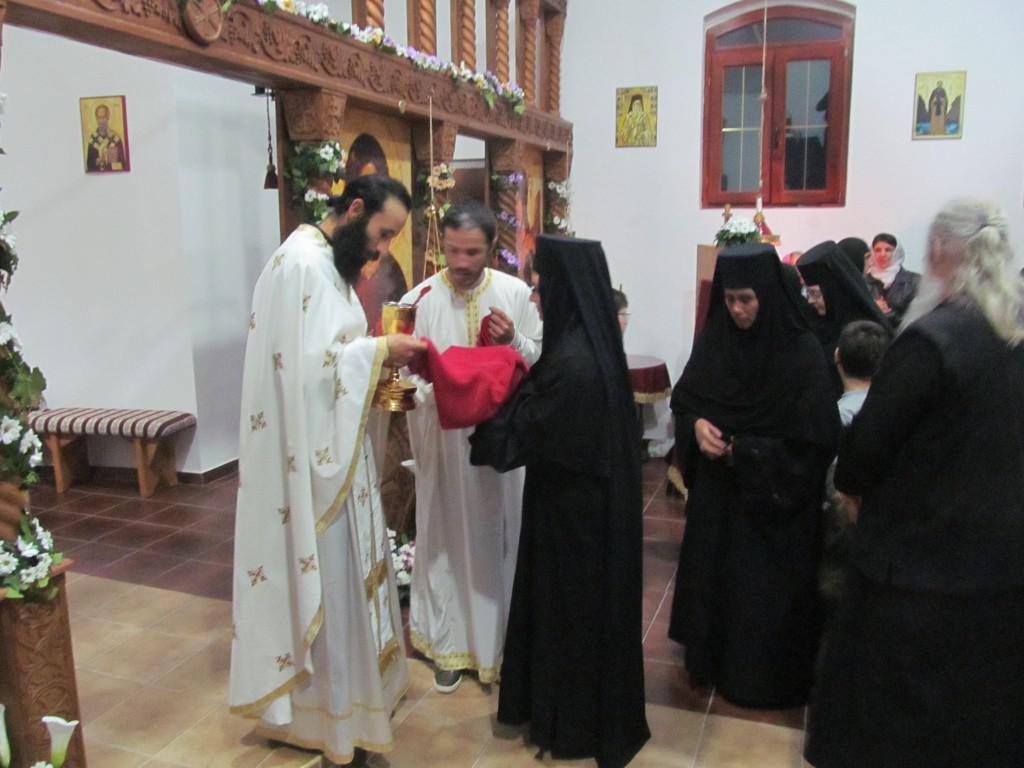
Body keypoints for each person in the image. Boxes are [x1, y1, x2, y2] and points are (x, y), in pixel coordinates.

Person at [806, 198, 1024, 768]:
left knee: (897, 722)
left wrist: (852, 488)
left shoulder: (932, 340)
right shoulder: (1016, 332)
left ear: (940, 253)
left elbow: (864, 450)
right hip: (1002, 566)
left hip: (919, 568)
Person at [229, 174, 426, 766]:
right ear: (355, 209)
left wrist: (375, 359)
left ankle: (352, 712)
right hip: (312, 465)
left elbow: (328, 361)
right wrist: (380, 351)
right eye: (383, 234)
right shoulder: (303, 266)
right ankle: (334, 724)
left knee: (349, 589)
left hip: (335, 457)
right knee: (333, 591)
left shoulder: (325, 262)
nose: (382, 250)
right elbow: (311, 377)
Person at [469, 234, 650, 768]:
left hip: (574, 519)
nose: (533, 297)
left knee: (570, 618)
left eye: (540, 287)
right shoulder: (585, 345)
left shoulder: (574, 361)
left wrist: (481, 393)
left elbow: (527, 431)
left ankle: (569, 725)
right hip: (580, 508)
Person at [668, 241, 840, 709]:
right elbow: (686, 400)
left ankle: (755, 677)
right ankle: (708, 659)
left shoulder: (800, 352)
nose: (738, 310)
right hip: (719, 497)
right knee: (715, 581)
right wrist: (696, 427)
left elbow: (816, 441)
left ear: (767, 294)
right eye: (729, 300)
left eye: (747, 299)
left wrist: (745, 452)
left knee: (758, 596)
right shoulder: (717, 340)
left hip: (773, 509)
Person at [401, 199, 542, 692]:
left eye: (473, 252)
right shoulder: (417, 300)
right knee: (445, 539)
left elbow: (541, 362)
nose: (461, 263)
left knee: (504, 537)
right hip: (443, 447)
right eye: (453, 251)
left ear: (492, 247)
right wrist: (438, 389)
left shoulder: (515, 294)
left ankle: (507, 647)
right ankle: (449, 645)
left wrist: (514, 341)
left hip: (503, 450)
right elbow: (400, 379)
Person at [798, 240, 892, 395]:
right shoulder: (816, 323)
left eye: (815, 293)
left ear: (833, 291)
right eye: (808, 293)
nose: (810, 300)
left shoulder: (865, 330)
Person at [864, 233, 921, 328]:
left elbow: (917, 317)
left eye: (888, 250)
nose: (882, 254)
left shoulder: (914, 281)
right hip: (871, 334)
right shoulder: (863, 282)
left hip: (903, 334)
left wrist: (887, 313)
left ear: (897, 253)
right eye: (877, 250)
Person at [86, 104, 126, 171]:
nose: (101, 121)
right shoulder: (93, 139)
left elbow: (122, 164)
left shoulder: (115, 139)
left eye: (103, 117)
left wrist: (107, 160)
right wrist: (97, 161)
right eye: (99, 117)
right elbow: (89, 165)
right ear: (96, 118)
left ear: (108, 117)